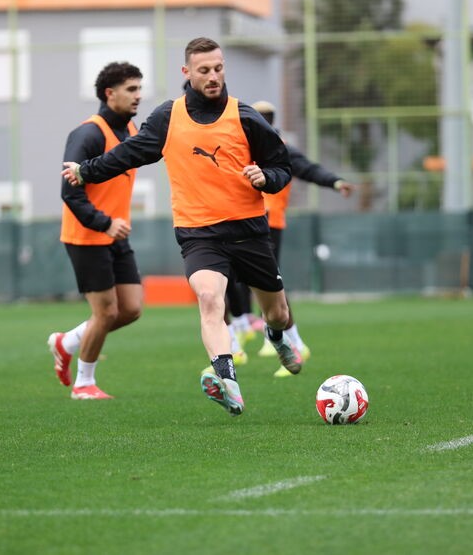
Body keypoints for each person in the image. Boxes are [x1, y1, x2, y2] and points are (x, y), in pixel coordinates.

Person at [62, 37, 298, 417]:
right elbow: (129, 153)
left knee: (278, 314)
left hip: (249, 230)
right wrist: (86, 171)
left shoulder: (245, 117)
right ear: (187, 72)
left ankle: (275, 335)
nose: (213, 76)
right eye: (204, 70)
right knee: (209, 299)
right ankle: (227, 380)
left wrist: (266, 177)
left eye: (218, 68)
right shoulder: (168, 116)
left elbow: (282, 167)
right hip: (198, 232)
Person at [49, 62, 145, 400]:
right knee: (105, 313)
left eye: (139, 88)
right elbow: (70, 193)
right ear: (109, 93)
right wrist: (105, 222)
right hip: (88, 236)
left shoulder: (131, 129)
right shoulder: (88, 134)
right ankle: (83, 384)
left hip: (115, 235)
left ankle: (67, 342)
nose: (138, 95)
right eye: (131, 89)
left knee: (131, 309)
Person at [248, 100, 354, 376]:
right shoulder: (244, 145)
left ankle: (292, 341)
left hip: (268, 223)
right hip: (246, 223)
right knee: (253, 282)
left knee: (268, 283)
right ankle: (258, 332)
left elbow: (308, 168)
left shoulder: (276, 147)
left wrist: (334, 181)